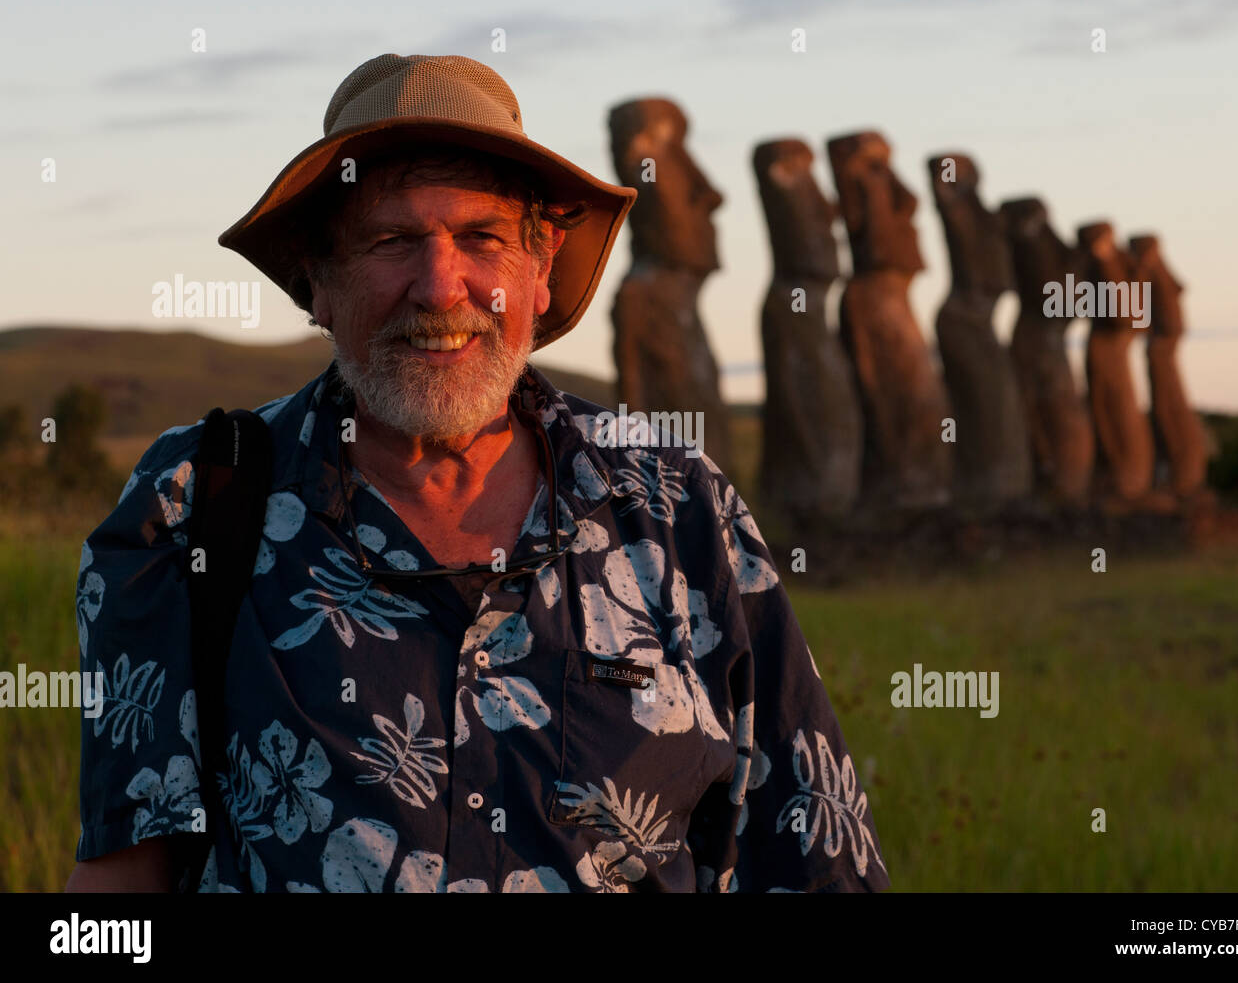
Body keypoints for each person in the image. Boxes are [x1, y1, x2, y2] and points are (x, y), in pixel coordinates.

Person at [66, 54, 889, 893]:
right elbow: (123, 879)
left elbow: (816, 854)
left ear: (540, 270)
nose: (438, 286)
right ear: (317, 281)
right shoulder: (192, 504)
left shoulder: (677, 504)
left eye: (481, 238)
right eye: (392, 241)